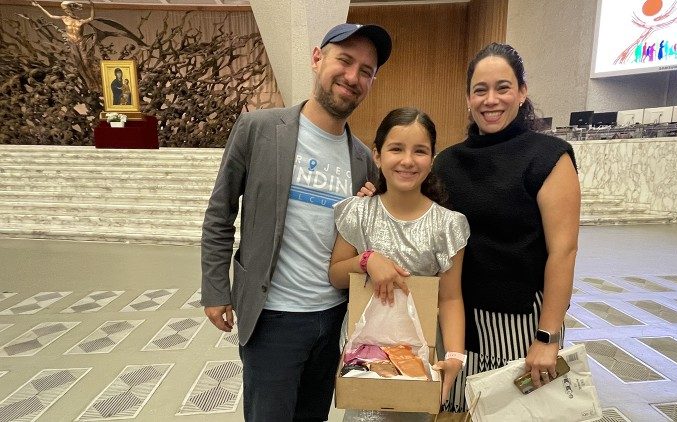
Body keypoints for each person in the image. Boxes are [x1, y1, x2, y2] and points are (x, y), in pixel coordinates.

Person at [201, 23, 391, 422]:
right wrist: (215, 287)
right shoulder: (259, 129)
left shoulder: (362, 160)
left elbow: (363, 235)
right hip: (272, 319)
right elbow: (221, 212)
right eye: (345, 61)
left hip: (332, 320)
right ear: (317, 58)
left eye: (366, 71)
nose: (352, 77)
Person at [433, 43, 581, 412]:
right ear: (468, 97)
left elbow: (563, 251)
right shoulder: (447, 163)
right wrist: (374, 193)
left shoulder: (549, 157)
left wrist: (547, 337)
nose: (491, 100)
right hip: (458, 320)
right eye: (480, 90)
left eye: (503, 87)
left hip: (521, 323)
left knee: (516, 415)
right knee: (456, 412)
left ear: (522, 92)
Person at [329, 107, 469, 422]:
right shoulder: (359, 213)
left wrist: (456, 357)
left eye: (419, 151)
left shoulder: (447, 225)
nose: (407, 160)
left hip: (419, 351)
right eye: (396, 148)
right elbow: (336, 274)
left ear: (432, 159)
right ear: (377, 155)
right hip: (364, 353)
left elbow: (450, 297)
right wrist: (366, 259)